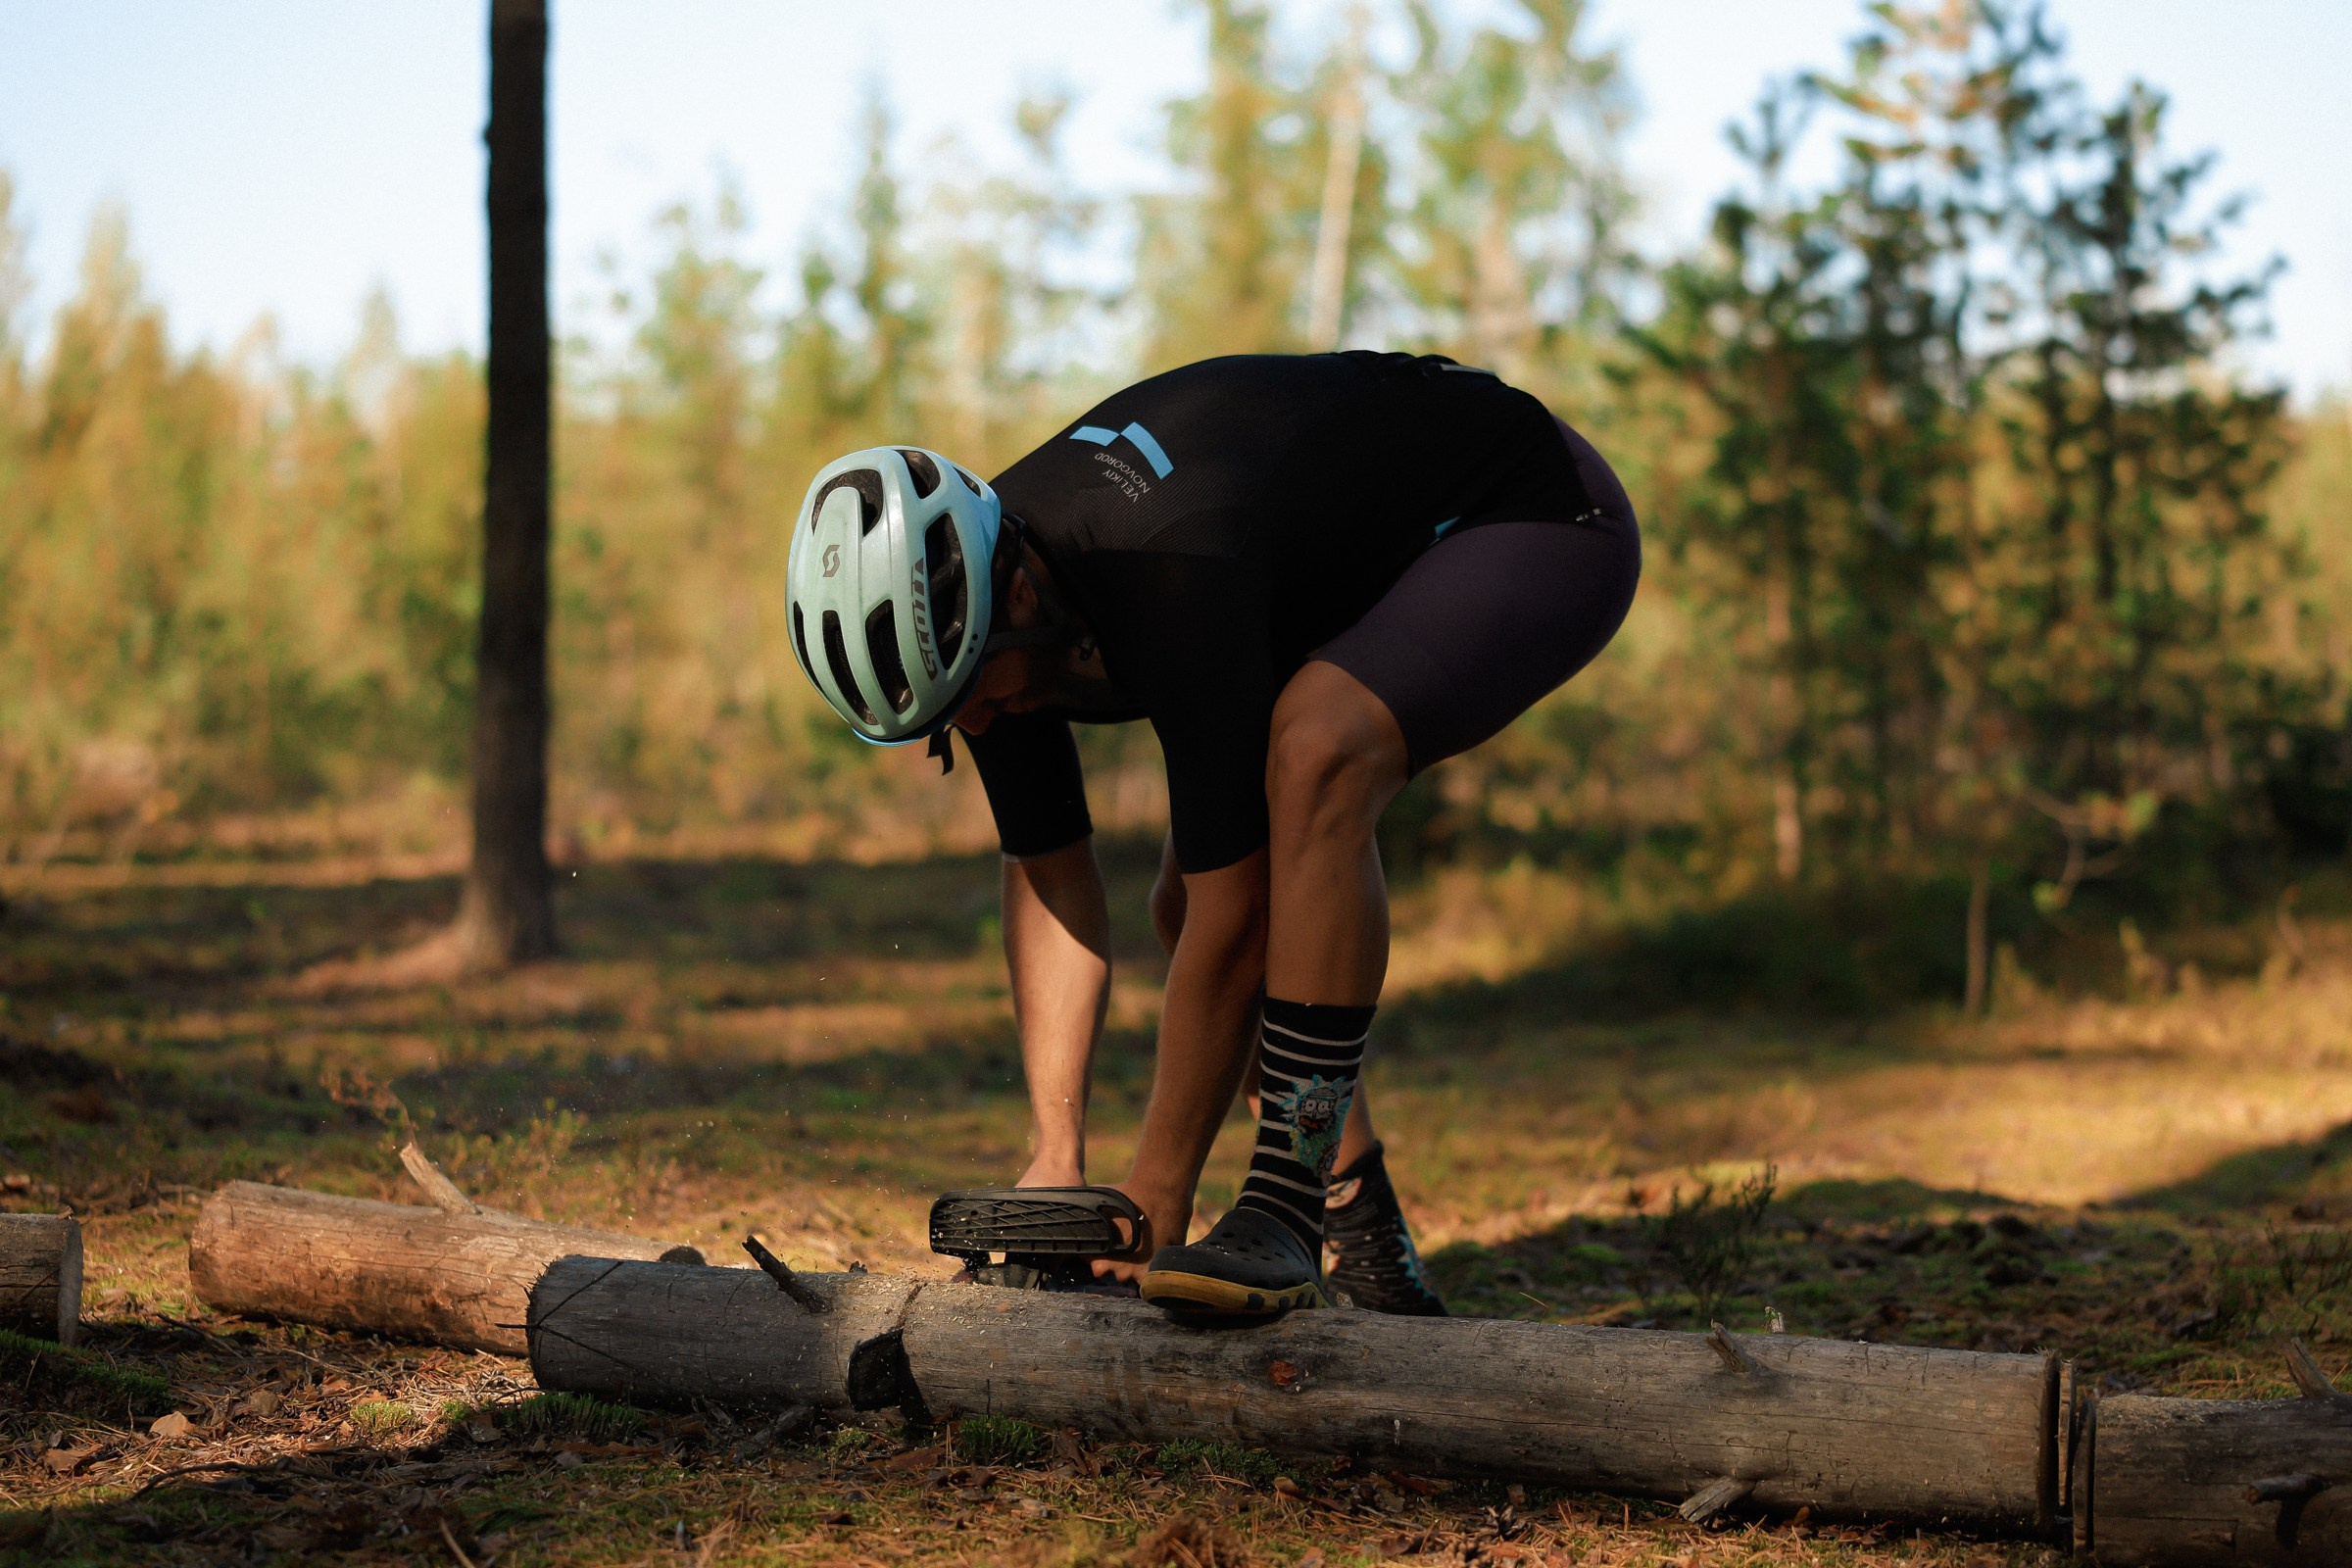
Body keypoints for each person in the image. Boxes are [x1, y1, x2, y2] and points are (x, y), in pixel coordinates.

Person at [784, 351, 1639, 1317]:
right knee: (1181, 897)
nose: (976, 728)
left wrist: (1155, 1194)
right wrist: (1055, 1156)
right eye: (944, 721)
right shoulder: (970, 616)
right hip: (1345, 562)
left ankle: (1286, 1205)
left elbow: (1240, 921)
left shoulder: (1163, 560)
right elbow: (1052, 872)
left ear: (1017, 595)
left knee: (1317, 754)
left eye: (973, 696)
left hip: (1532, 516)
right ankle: (1372, 1250)